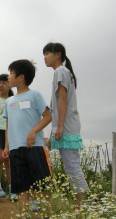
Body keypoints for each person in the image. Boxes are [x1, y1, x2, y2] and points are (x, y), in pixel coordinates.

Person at [2, 60, 52, 217]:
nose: (8, 77)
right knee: (21, 187)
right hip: (16, 149)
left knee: (42, 186)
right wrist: (6, 146)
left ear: (21, 77)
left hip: (35, 147)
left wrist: (34, 131)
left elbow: (48, 116)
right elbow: (8, 125)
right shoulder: (9, 101)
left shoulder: (35, 95)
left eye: (11, 73)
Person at [42, 42, 89, 204]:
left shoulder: (60, 71)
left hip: (66, 126)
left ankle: (83, 205)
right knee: (71, 166)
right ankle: (80, 203)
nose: (45, 57)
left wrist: (60, 125)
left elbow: (62, 99)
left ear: (58, 54)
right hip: (67, 124)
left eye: (47, 53)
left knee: (72, 166)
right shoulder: (65, 72)